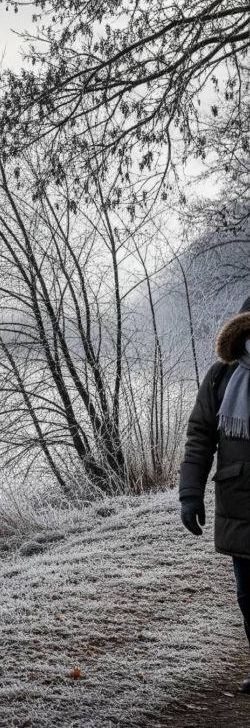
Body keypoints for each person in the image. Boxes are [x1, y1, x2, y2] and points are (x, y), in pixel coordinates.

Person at [180, 295, 250, 693]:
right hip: (239, 504)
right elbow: (200, 437)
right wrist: (190, 494)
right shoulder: (221, 376)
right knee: (248, 596)